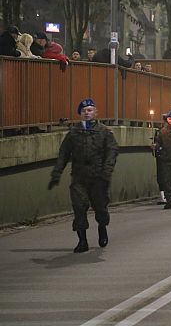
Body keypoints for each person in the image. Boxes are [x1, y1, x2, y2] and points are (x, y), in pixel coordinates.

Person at [47, 98, 119, 253]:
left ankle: (102, 227)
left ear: (95, 112)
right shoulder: (74, 133)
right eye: (84, 111)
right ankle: (82, 240)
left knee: (100, 208)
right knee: (79, 207)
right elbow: (63, 155)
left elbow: (112, 152)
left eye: (90, 110)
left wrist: (107, 172)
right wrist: (56, 174)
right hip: (79, 177)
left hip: (98, 177)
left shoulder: (104, 132)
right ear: (80, 113)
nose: (87, 113)